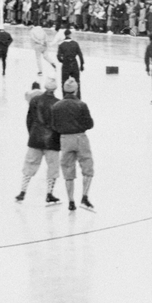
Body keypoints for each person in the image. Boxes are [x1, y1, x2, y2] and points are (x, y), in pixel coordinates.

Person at [15, 77, 62, 204]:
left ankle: (22, 192)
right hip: (52, 140)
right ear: (55, 88)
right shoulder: (58, 103)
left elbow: (29, 119)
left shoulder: (35, 100)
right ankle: (49, 193)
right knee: (52, 167)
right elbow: (59, 124)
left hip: (35, 138)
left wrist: (32, 134)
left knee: (29, 165)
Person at [50, 78, 95, 211]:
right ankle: (85, 197)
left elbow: (54, 126)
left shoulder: (56, 106)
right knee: (87, 168)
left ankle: (71, 201)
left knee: (68, 171)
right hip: (80, 137)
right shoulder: (81, 105)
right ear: (76, 89)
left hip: (65, 139)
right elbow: (90, 124)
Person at [56, 29, 85, 96]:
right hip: (74, 64)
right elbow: (80, 55)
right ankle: (78, 97)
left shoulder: (61, 45)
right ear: (70, 34)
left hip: (66, 64)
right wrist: (82, 65)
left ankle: (64, 97)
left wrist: (63, 61)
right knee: (77, 82)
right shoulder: (75, 43)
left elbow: (58, 57)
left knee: (64, 82)